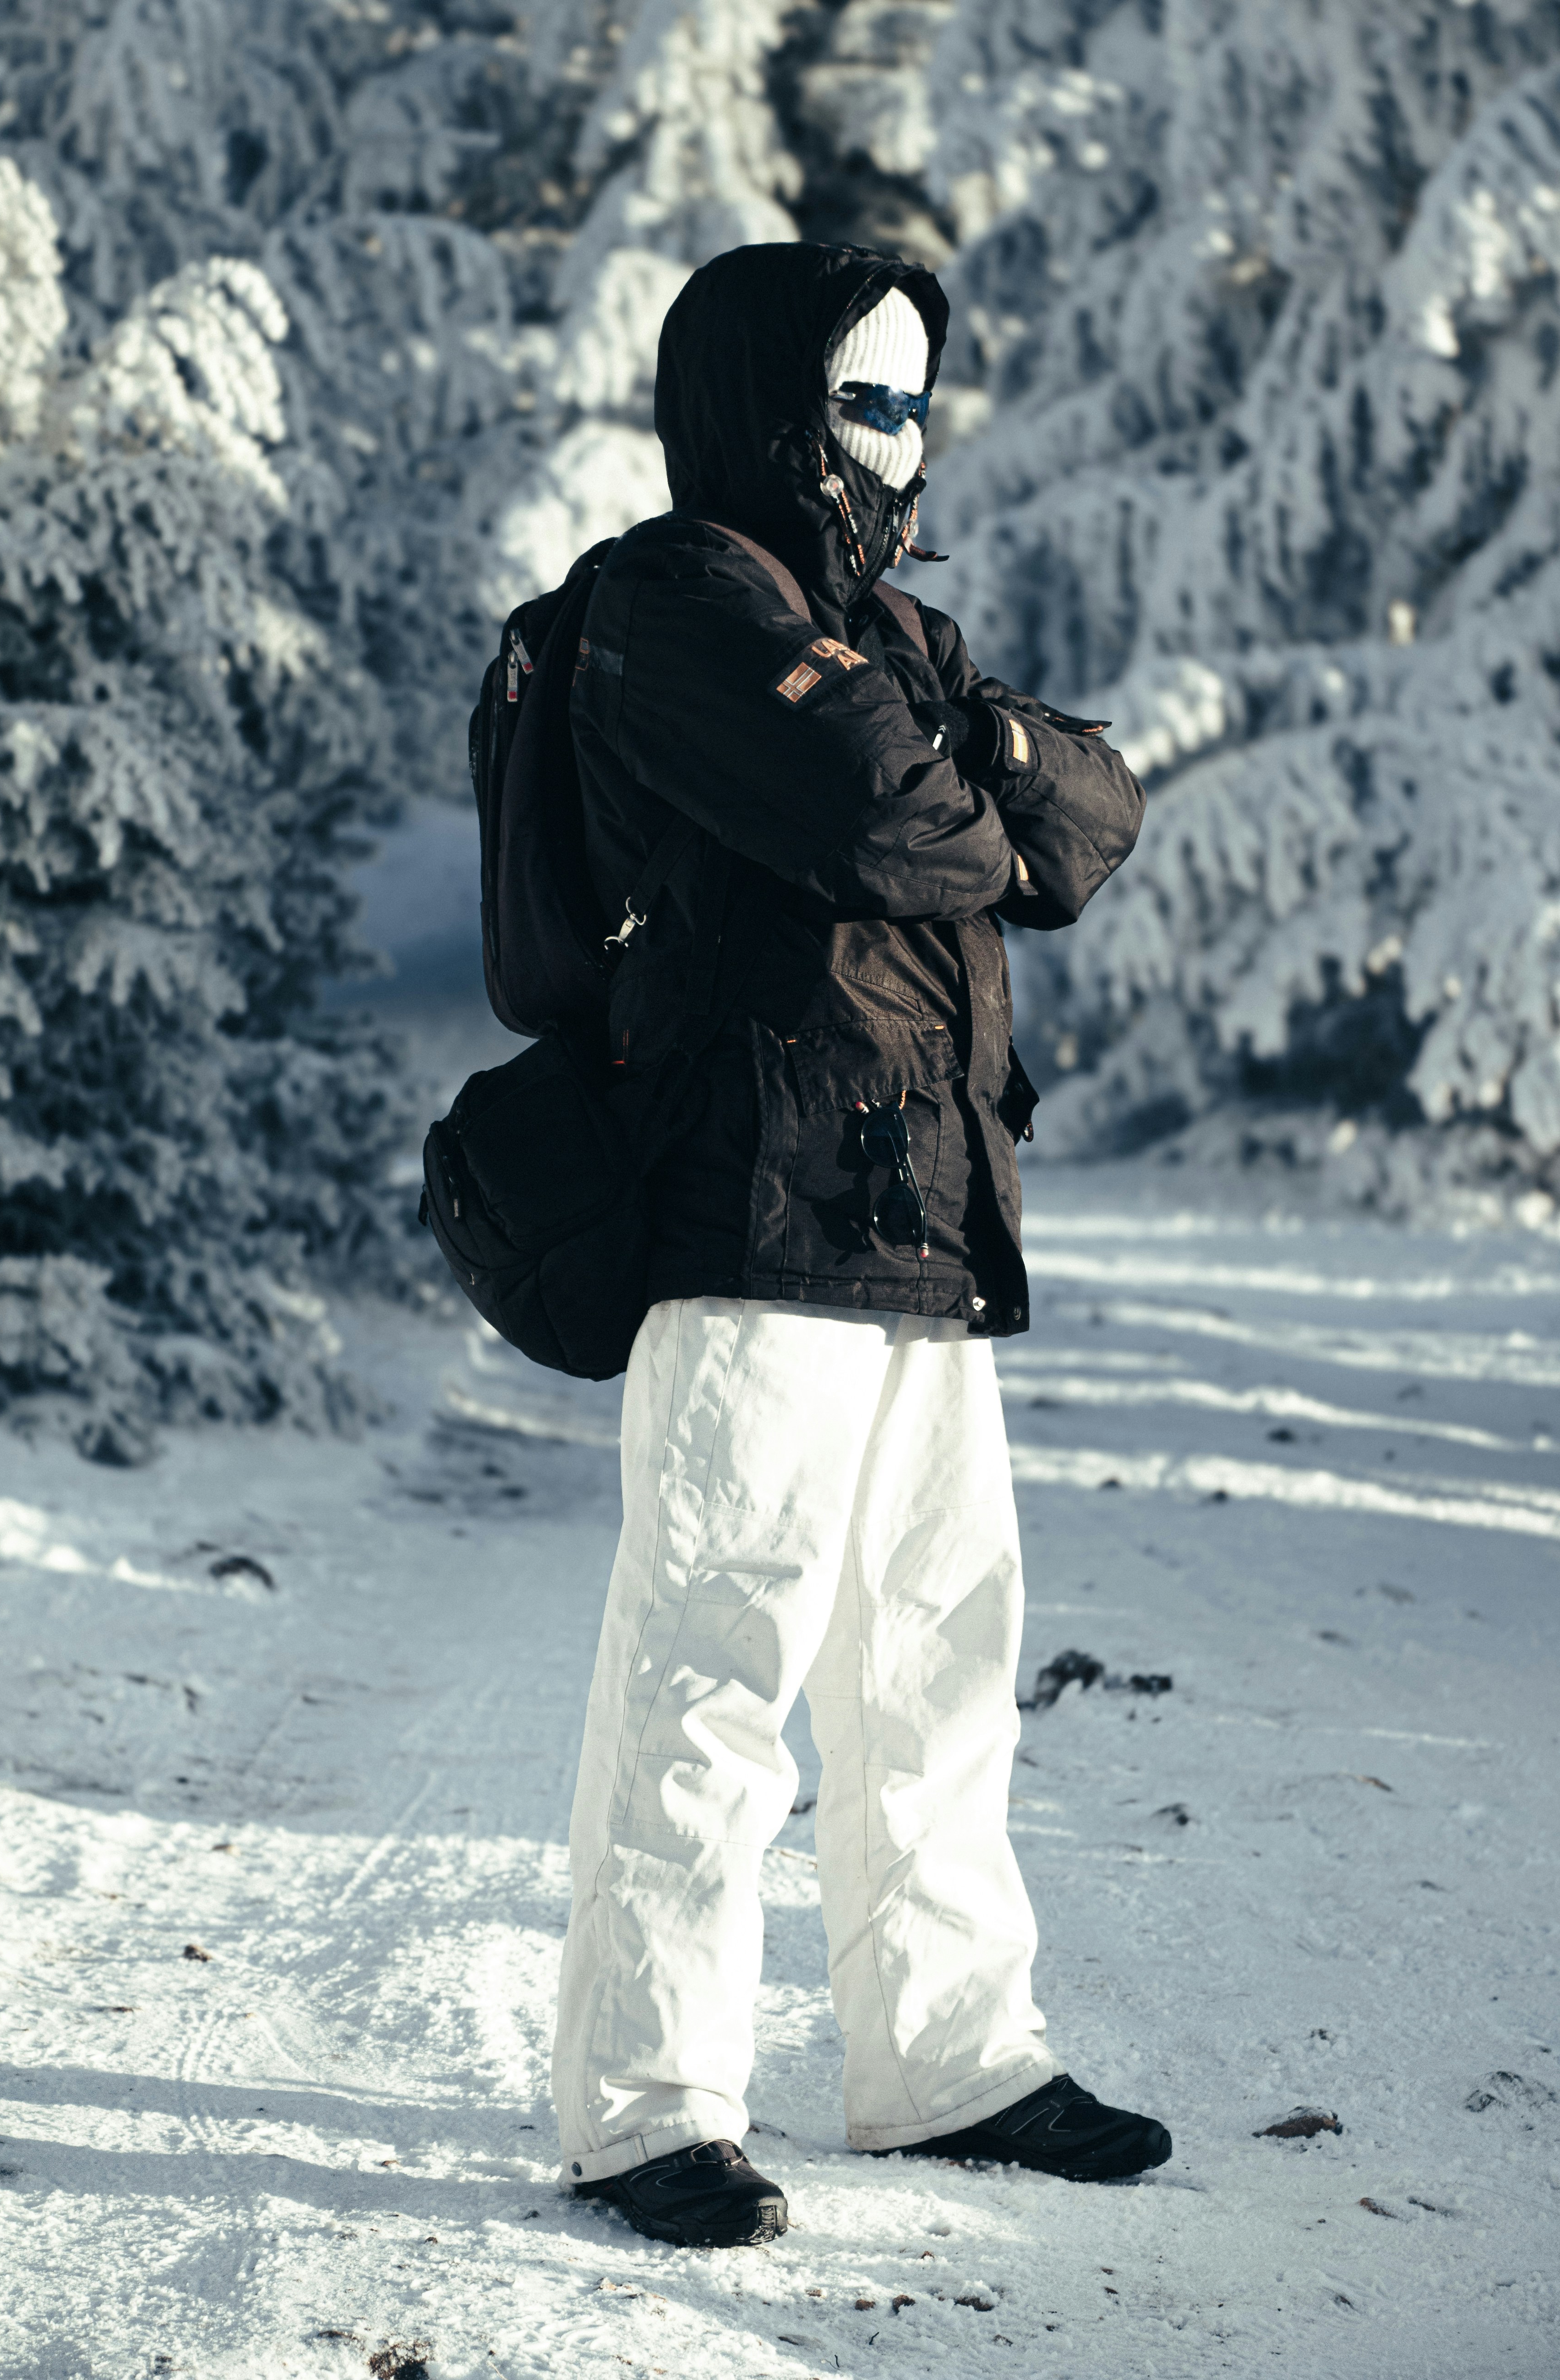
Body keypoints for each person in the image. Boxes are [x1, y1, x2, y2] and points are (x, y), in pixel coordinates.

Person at [551, 241, 1164, 2250]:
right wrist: (957, 761)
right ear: (770, 406)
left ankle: (950, 2063)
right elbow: (880, 816)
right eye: (865, 397)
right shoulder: (671, 602)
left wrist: (961, 757)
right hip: (748, 1215)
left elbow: (1085, 820)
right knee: (712, 1670)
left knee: (939, 1672)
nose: (902, 439)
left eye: (918, 400)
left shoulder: (889, 626)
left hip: (920, 1218)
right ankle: (651, 2104)